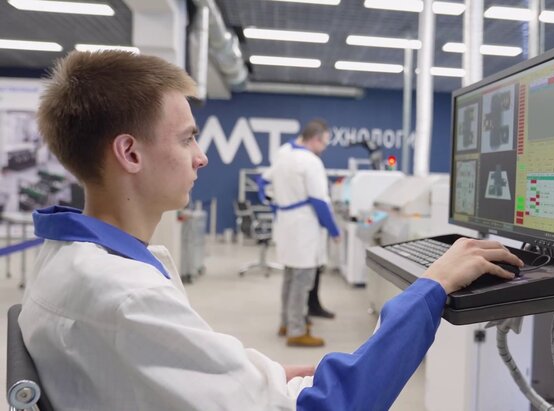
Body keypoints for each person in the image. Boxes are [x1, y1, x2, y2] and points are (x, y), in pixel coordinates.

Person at [19, 50, 523, 410]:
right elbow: (333, 405)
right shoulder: (124, 297)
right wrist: (431, 287)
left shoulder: (71, 261)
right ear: (130, 153)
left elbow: (184, 364)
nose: (202, 157)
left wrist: (262, 373)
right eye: (188, 138)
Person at [259, 119, 338, 347]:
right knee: (302, 281)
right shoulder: (310, 162)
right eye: (324, 142)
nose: (324, 148)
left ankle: (286, 322)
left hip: (286, 223)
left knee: (290, 277)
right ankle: (296, 330)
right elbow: (319, 201)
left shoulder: (283, 156)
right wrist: (333, 230)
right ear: (316, 139)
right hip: (304, 227)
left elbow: (263, 183)